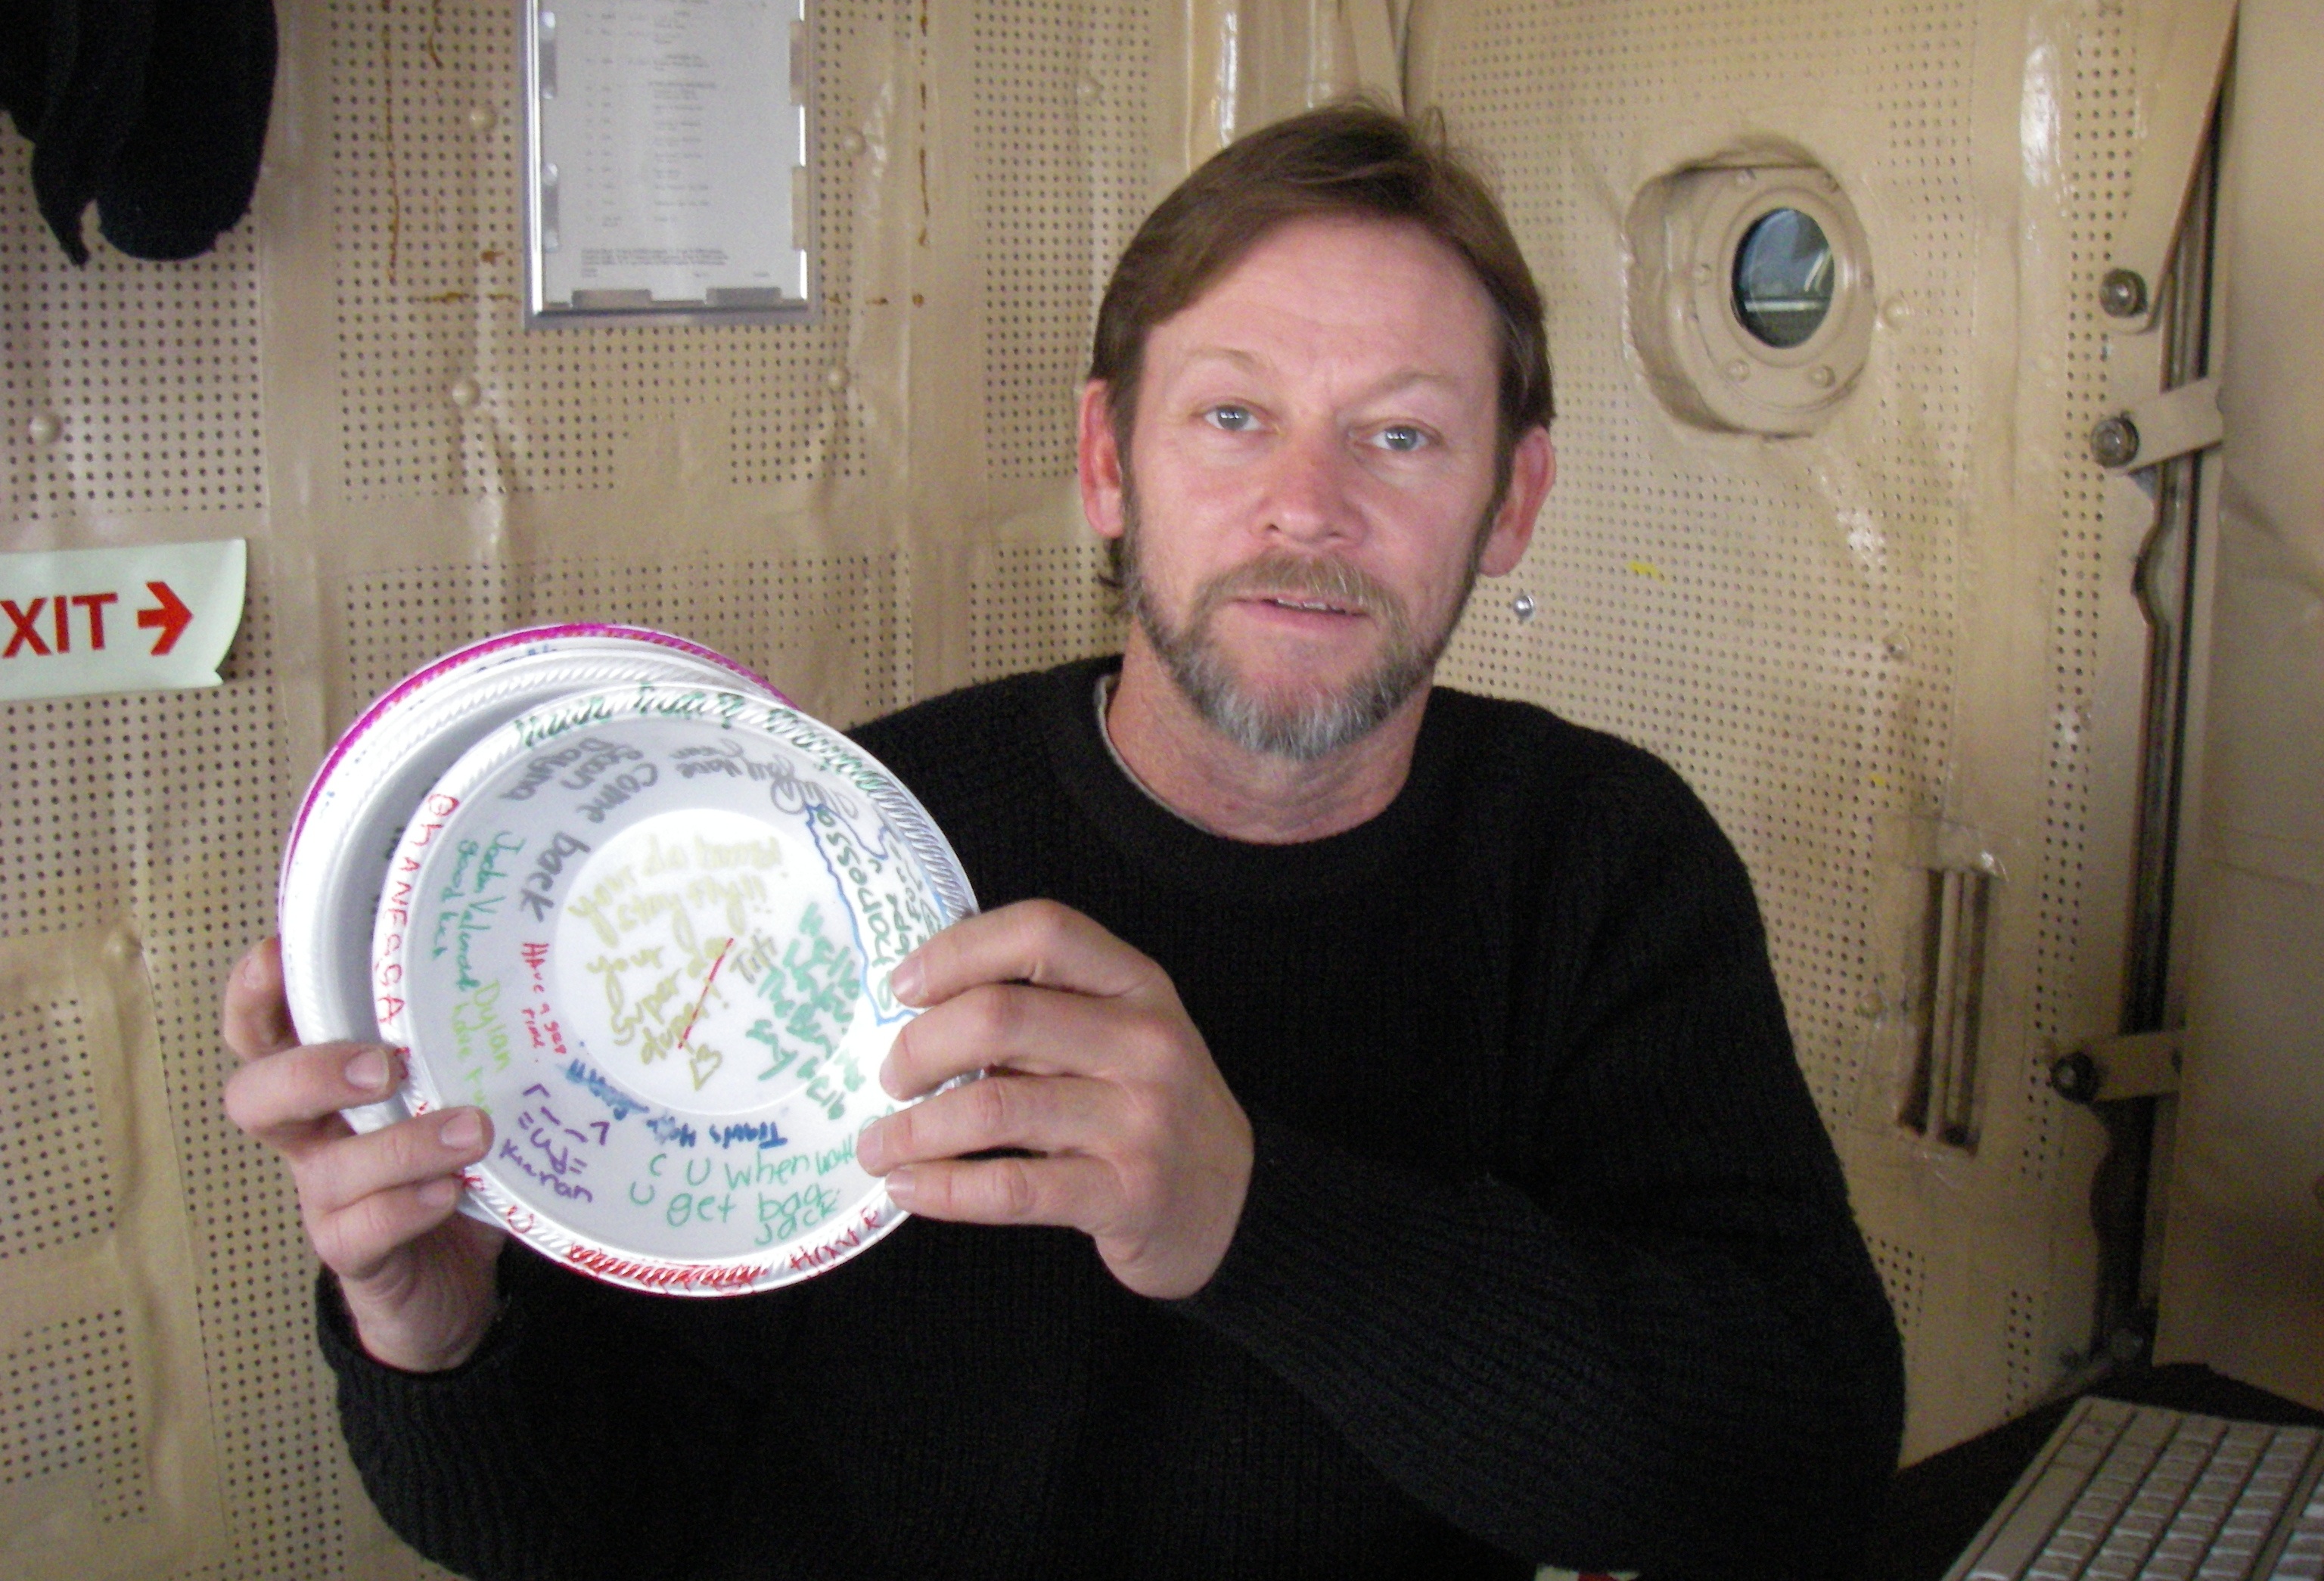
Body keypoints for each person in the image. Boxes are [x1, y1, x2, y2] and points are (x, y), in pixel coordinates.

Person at [222, 102, 1903, 1580]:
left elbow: (1794, 1454)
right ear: (1109, 463)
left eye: (1401, 435)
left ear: (1510, 502)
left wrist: (1252, 1219)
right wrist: (442, 1340)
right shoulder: (836, 853)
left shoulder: (1602, 866)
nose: (1309, 508)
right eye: (1233, 418)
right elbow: (571, 1528)